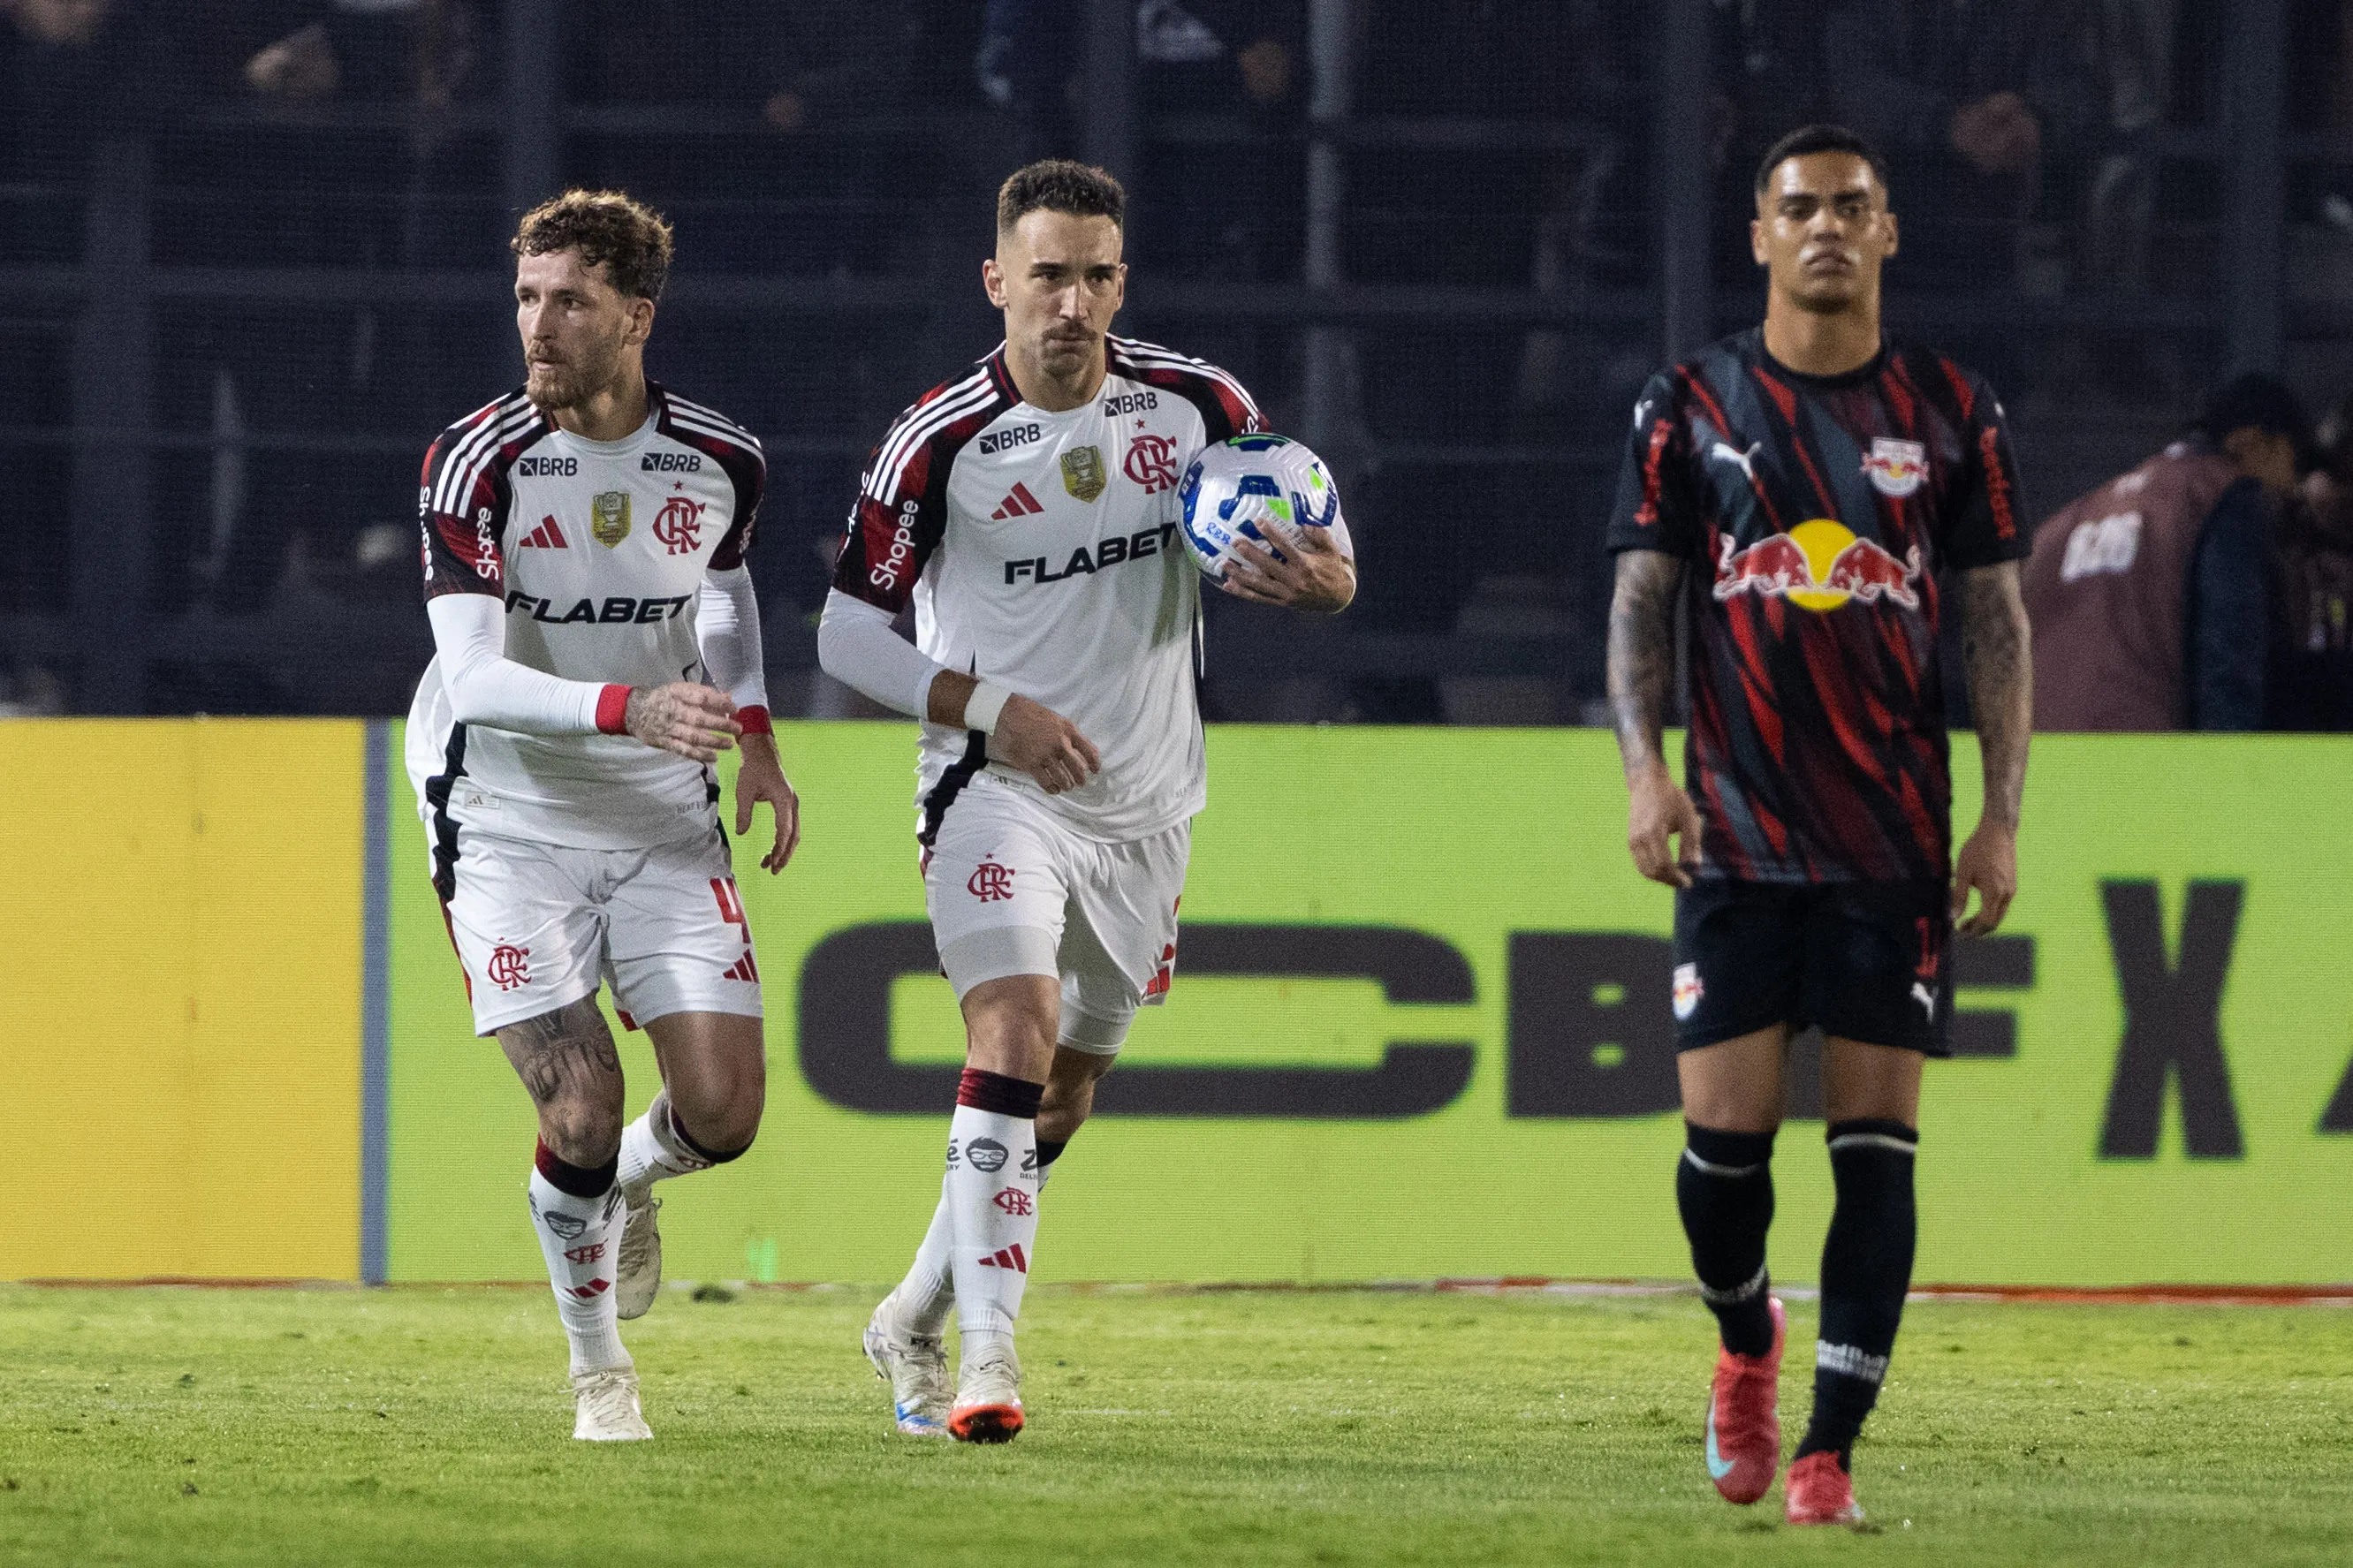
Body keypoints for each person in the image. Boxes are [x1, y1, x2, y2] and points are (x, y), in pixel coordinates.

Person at [818, 159, 1355, 1444]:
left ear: (1121, 282)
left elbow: (1314, 536)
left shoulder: (1196, 404)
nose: (1071, 302)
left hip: (1147, 803)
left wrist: (1326, 583)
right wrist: (991, 708)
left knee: (1063, 1091)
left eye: (1095, 275)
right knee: (1010, 1033)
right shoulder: (936, 439)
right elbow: (844, 634)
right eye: (1046, 274)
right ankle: (985, 1361)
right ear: (995, 282)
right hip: (990, 785)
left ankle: (908, 1309)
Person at [1604, 124, 2033, 1526]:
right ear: (1758, 236)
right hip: (1730, 831)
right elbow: (1638, 601)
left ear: (1889, 231)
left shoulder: (1949, 408)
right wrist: (1642, 772)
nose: (1827, 227)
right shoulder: (1692, 401)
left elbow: (1993, 620)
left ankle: (1826, 1453)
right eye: (1800, 207)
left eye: (1852, 205)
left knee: (1872, 1148)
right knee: (1720, 1160)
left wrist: (1997, 819)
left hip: (1891, 842)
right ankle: (1744, 1342)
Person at [406, 190, 801, 1442]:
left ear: (634, 315)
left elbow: (726, 597)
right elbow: (471, 680)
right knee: (574, 1103)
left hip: (660, 811)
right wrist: (629, 704)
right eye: (527, 296)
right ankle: (599, 1373)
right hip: (505, 810)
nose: (539, 321)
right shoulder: (477, 461)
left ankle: (631, 1183)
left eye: (568, 298)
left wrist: (755, 738)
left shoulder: (720, 456)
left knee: (725, 1116)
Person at [2023, 373, 2310, 731]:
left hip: (2042, 761)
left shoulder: (2059, 528)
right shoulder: (2220, 494)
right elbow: (2228, 653)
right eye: (2297, 464)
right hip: (2147, 761)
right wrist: (2232, 767)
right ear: (2250, 442)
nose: (2295, 490)